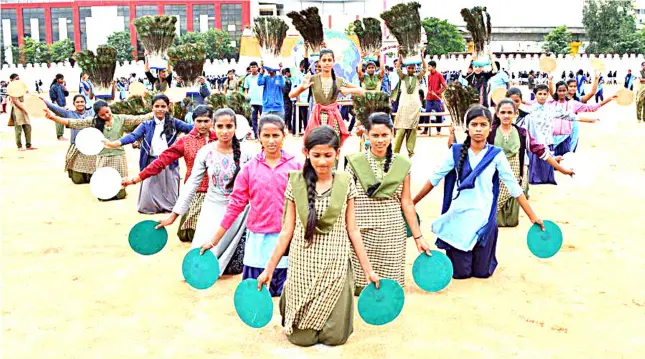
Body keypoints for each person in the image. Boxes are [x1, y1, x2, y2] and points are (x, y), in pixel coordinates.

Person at [256, 125, 379, 347]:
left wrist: (368, 271)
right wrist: (269, 269)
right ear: (306, 154)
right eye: (316, 155)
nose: (322, 161)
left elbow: (353, 230)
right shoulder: (296, 183)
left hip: (335, 264)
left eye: (328, 155)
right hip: (303, 264)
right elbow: (287, 231)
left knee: (335, 338)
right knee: (300, 338)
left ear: (337, 154)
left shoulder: (345, 182)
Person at [413, 105, 544, 279]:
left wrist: (532, 216)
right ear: (467, 127)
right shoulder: (455, 152)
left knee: (482, 273)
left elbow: (514, 187)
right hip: (460, 218)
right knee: (461, 274)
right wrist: (412, 203)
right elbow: (434, 179)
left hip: (484, 219)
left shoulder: (496, 154)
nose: (478, 129)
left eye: (483, 125)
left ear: (490, 127)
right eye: (474, 124)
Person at [199, 115, 302, 296]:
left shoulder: (296, 166)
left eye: (276, 135)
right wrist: (214, 240)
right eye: (266, 135)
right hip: (258, 242)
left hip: (287, 239)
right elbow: (235, 207)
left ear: (284, 135)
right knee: (255, 295)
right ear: (258, 136)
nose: (271, 141)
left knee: (286, 295)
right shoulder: (249, 169)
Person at [157, 108, 253, 274]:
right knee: (199, 259)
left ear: (235, 127)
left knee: (234, 267)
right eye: (220, 126)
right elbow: (191, 184)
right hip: (211, 207)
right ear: (213, 128)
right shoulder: (206, 152)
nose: (224, 131)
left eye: (229, 126)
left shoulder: (247, 153)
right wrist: (173, 215)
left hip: (239, 211)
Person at [345, 112, 430, 295]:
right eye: (375, 135)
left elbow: (406, 202)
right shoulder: (354, 162)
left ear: (392, 134)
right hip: (361, 230)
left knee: (390, 288)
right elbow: (346, 200)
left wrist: (418, 237)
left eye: (385, 135)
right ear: (366, 135)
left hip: (391, 232)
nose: (380, 140)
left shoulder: (402, 164)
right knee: (359, 286)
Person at [122, 105, 217, 242]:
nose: (203, 125)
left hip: (219, 193)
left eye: (206, 121)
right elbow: (161, 161)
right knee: (188, 235)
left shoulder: (221, 138)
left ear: (212, 121)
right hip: (196, 191)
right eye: (199, 121)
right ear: (193, 121)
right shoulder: (185, 141)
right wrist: (136, 179)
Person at [104, 94, 193, 214]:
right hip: (151, 161)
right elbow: (133, 136)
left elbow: (191, 129)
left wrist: (207, 128)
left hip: (170, 162)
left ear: (167, 108)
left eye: (163, 106)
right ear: (152, 108)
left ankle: (169, 209)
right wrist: (116, 143)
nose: (160, 109)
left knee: (170, 192)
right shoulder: (146, 125)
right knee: (146, 200)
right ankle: (151, 207)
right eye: (157, 106)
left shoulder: (174, 123)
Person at [43, 101, 151, 200]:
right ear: (97, 115)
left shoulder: (121, 118)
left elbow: (140, 119)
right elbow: (72, 122)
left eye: (108, 112)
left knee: (120, 192)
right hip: (102, 157)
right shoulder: (93, 122)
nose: (107, 116)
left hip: (119, 157)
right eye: (102, 115)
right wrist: (52, 117)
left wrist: (158, 111)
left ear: (109, 108)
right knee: (104, 190)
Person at [290, 48, 365, 146]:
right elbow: (291, 94)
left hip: (333, 119)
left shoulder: (339, 81)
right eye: (324, 60)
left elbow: (362, 91)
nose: (327, 63)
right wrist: (301, 88)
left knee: (333, 147)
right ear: (319, 62)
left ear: (333, 62)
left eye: (329, 60)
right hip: (317, 119)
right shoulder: (312, 79)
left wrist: (348, 91)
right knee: (316, 147)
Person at [524, 85, 578, 185]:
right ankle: (534, 181)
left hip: (548, 139)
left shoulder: (552, 108)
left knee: (547, 164)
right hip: (535, 142)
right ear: (535, 95)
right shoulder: (529, 110)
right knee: (535, 165)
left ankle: (547, 179)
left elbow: (568, 116)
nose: (542, 96)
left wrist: (586, 119)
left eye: (545, 94)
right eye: (539, 94)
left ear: (548, 95)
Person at [487, 99, 528, 227]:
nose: (506, 115)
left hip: (515, 169)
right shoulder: (490, 132)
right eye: (503, 112)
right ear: (497, 113)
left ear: (515, 114)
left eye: (509, 112)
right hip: (496, 170)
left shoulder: (521, 132)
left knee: (513, 192)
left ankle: (510, 219)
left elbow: (530, 151)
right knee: (497, 194)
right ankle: (493, 218)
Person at [44, 95, 96, 183]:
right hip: (76, 147)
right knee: (78, 180)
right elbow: (55, 108)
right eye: (78, 102)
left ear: (85, 103)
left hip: (91, 147)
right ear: (74, 104)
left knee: (91, 178)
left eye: (82, 102)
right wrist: (43, 100)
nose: (80, 104)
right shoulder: (69, 114)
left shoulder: (92, 113)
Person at [393, 49, 426, 157]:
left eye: (412, 68)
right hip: (404, 106)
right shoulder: (403, 77)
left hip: (414, 106)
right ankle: (395, 151)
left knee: (412, 129)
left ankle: (410, 151)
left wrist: (421, 56)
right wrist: (400, 57)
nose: (411, 69)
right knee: (401, 129)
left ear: (415, 69)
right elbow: (397, 68)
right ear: (406, 68)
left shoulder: (417, 78)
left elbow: (425, 69)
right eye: (409, 68)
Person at [8, 74, 35, 151]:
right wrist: (25, 109)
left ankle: (28, 145)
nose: (18, 80)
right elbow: (15, 101)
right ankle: (19, 146)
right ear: (11, 80)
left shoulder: (20, 86)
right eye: (16, 79)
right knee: (18, 129)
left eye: (18, 78)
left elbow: (27, 93)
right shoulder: (11, 88)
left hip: (23, 107)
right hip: (17, 109)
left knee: (28, 127)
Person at [425, 60, 447, 134]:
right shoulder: (428, 75)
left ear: (433, 67)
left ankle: (438, 130)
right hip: (429, 97)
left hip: (436, 98)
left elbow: (445, 86)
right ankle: (425, 130)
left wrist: (437, 92)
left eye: (429, 66)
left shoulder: (439, 75)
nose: (428, 67)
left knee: (438, 113)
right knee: (426, 112)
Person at [244, 61, 264, 138]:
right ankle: (256, 135)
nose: (253, 68)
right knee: (253, 119)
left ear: (257, 67)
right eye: (251, 67)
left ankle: (262, 134)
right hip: (252, 101)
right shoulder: (248, 78)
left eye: (254, 67)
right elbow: (246, 89)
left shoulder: (261, 76)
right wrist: (246, 96)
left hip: (261, 100)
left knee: (263, 118)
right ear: (250, 68)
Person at [49, 73, 69, 141]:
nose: (63, 80)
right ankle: (59, 136)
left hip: (63, 105)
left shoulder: (61, 86)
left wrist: (65, 88)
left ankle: (61, 135)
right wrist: (56, 107)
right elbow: (53, 98)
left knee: (62, 120)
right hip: (57, 106)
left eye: (63, 79)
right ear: (57, 79)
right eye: (61, 79)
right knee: (58, 121)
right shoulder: (53, 87)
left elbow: (66, 94)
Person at [282, 68, 295, 134]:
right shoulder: (286, 80)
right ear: (287, 73)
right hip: (287, 98)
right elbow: (286, 90)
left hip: (286, 98)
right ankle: (283, 127)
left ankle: (289, 127)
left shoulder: (285, 79)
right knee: (287, 113)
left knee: (289, 113)